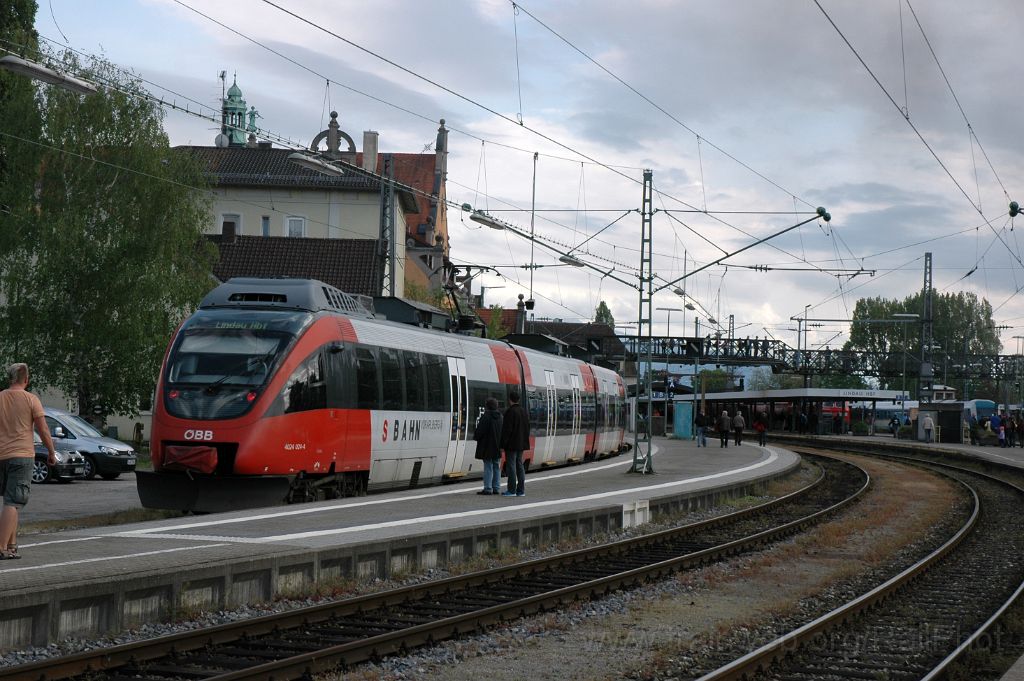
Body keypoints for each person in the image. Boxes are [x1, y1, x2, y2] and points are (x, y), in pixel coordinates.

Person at [0, 363, 56, 560]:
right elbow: (43, 430)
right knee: (13, 501)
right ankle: (1, 547)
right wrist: (51, 452)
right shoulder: (31, 399)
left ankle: (11, 544)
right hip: (22, 455)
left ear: (10, 378)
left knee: (10, 501)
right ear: (26, 379)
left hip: (1, 455)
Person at [500, 390, 531, 497]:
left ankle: (511, 490)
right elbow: (527, 427)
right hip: (521, 444)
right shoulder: (523, 411)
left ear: (510, 400)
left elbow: (507, 430)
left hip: (512, 444)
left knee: (511, 466)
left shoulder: (510, 412)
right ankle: (521, 490)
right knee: (520, 465)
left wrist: (503, 444)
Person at [473, 398, 503, 495]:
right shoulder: (501, 417)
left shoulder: (486, 417)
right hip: (497, 446)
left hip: (487, 446)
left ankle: (488, 488)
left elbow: (480, 431)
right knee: (496, 466)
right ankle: (496, 488)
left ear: (487, 407)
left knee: (488, 466)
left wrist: (476, 437)